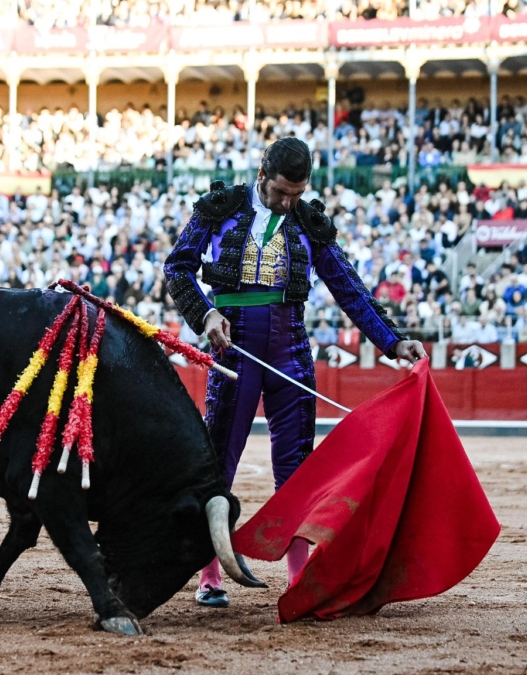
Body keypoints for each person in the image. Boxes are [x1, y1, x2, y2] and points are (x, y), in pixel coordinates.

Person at [164, 138, 427, 608]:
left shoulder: (308, 220)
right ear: (262, 175)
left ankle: (299, 577)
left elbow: (349, 288)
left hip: (290, 349)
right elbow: (177, 268)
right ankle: (209, 573)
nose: (288, 203)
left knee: (297, 465)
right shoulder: (220, 207)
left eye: (297, 194)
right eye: (281, 192)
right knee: (219, 459)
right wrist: (204, 314)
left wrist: (392, 340)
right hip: (232, 347)